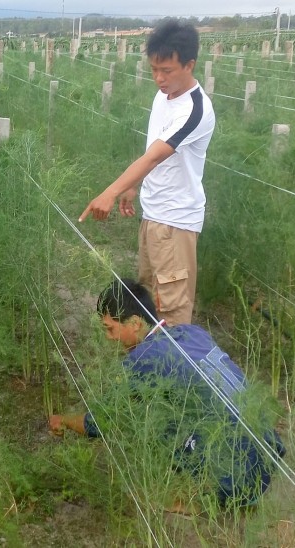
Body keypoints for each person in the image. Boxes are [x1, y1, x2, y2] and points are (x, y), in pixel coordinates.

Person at [49, 279, 285, 510]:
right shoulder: (192, 332)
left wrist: (66, 420)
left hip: (234, 477)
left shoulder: (145, 358)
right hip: (266, 455)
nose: (109, 337)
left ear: (134, 323)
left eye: (110, 329)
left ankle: (198, 498)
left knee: (148, 418)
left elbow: (100, 422)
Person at [79, 19, 216, 326]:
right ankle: (150, 367)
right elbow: (152, 149)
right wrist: (133, 186)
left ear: (190, 64)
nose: (158, 78)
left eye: (166, 70)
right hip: (152, 216)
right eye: (154, 69)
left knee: (172, 312)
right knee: (148, 301)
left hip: (175, 223)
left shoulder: (194, 110)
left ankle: (174, 371)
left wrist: (111, 191)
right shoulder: (162, 96)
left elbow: (155, 156)